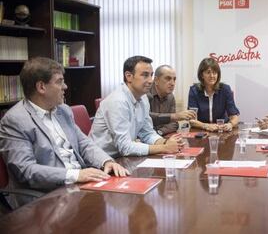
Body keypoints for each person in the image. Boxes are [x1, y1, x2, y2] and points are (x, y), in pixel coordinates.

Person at [0, 57, 129, 208]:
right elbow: (26, 170)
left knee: (122, 203)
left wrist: (106, 161)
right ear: (41, 87)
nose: (65, 86)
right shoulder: (15, 120)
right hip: (46, 198)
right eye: (60, 81)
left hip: (78, 188)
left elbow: (84, 143)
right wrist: (76, 175)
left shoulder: (63, 110)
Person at [89, 55, 183, 158]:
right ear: (129, 76)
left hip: (122, 158)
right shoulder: (118, 101)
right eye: (145, 75)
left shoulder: (143, 98)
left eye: (151, 75)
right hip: (102, 161)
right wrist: (164, 148)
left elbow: (147, 133)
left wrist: (166, 142)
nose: (151, 80)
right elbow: (125, 147)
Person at [188, 57, 240, 132]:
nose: (212, 76)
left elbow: (234, 116)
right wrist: (206, 126)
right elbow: (192, 121)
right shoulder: (194, 91)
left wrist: (230, 124)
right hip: (201, 131)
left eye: (215, 72)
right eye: (208, 72)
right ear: (202, 75)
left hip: (222, 131)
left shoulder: (225, 90)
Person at [147, 65, 196, 136]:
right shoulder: (145, 93)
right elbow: (146, 118)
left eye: (174, 79)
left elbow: (174, 124)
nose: (172, 83)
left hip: (160, 136)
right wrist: (174, 116)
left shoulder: (170, 97)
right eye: (168, 79)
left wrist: (159, 132)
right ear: (156, 80)